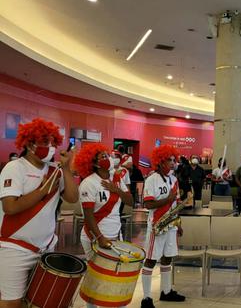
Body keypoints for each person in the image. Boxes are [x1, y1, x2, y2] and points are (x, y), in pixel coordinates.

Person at [0, 118, 78, 308]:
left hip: (45, 248)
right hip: (14, 248)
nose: (50, 147)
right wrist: (43, 190)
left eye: (53, 143)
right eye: (45, 142)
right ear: (29, 143)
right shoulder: (15, 167)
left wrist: (66, 169)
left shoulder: (55, 170)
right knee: (12, 303)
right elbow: (10, 207)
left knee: (39, 300)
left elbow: (72, 197)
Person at [75, 145, 133, 308]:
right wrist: (100, 237)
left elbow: (131, 202)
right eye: (101, 157)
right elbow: (88, 216)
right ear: (93, 163)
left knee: (116, 278)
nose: (107, 158)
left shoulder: (117, 178)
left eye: (106, 155)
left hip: (116, 236)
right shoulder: (88, 183)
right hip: (94, 237)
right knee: (95, 280)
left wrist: (117, 190)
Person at [141, 145, 186, 308]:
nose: (173, 163)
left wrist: (178, 223)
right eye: (169, 160)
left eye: (174, 160)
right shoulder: (152, 179)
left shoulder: (174, 180)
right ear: (160, 162)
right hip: (157, 226)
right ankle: (146, 298)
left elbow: (177, 203)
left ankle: (166, 291)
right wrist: (168, 199)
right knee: (151, 259)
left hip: (171, 225)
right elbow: (148, 204)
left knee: (168, 257)